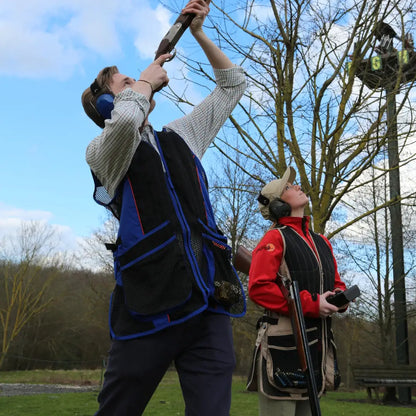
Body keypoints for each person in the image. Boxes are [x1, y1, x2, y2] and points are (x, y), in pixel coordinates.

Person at [81, 1, 246, 415]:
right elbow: (122, 125)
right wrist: (147, 84)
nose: (138, 82)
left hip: (209, 300)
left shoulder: (180, 136)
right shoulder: (102, 151)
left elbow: (233, 86)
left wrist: (199, 35)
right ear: (105, 106)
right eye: (126, 83)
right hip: (148, 307)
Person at [247, 166, 348, 416]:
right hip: (284, 350)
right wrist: (312, 304)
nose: (297, 186)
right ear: (279, 205)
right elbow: (259, 288)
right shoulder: (274, 238)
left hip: (315, 347)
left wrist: (339, 299)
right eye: (289, 187)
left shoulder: (322, 242)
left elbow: (336, 283)